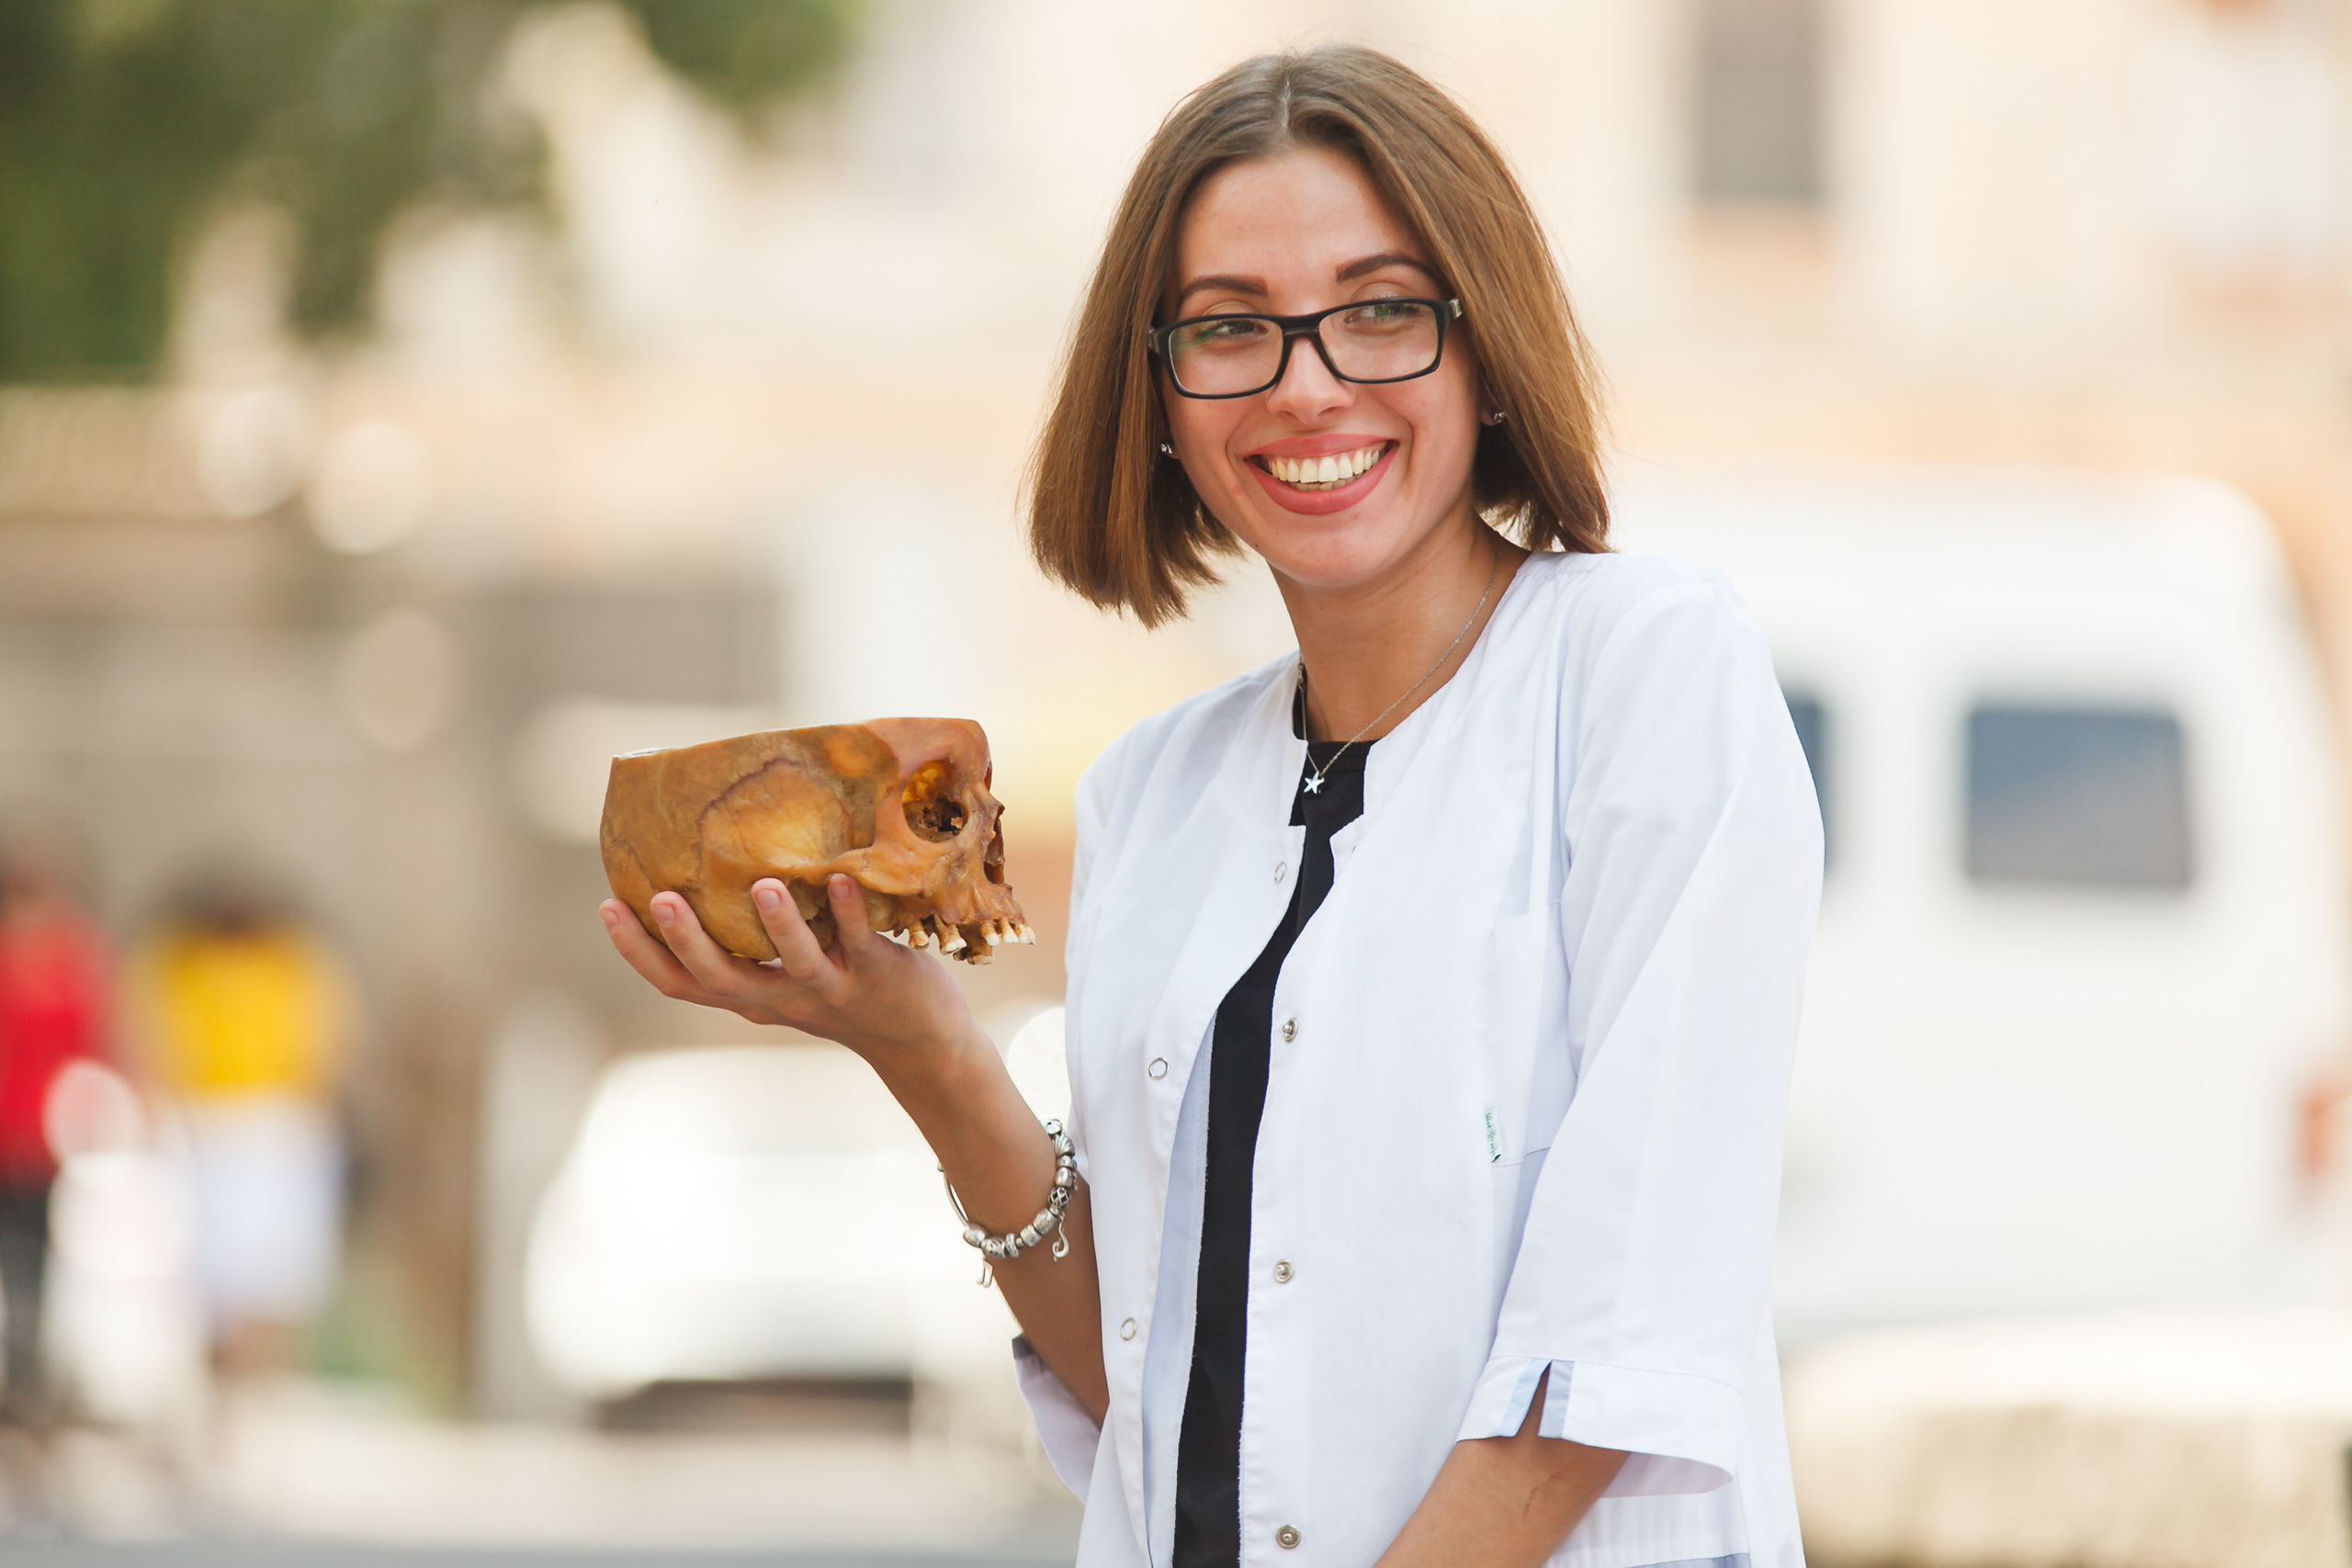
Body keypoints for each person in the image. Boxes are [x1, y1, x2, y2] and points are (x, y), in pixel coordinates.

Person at [602, 44, 1821, 1568]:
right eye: (1231, 327)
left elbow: (1612, 1346)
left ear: (1486, 344)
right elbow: (1173, 1390)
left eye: (1381, 309)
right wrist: (923, 1049)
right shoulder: (1151, 794)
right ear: (1160, 391)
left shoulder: (1646, 677)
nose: (1308, 382)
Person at [124, 869, 353, 1369]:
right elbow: (157, 1030)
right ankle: (217, 1361)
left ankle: (265, 1364)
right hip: (205, 1122)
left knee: (272, 1263)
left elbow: (321, 1039)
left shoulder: (293, 962)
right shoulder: (182, 959)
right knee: (209, 1261)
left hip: (274, 1123)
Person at [0, 819, 111, 1420]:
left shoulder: (72, 956)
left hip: (37, 1138)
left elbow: (87, 1042)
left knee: (33, 1258)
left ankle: (26, 1377)